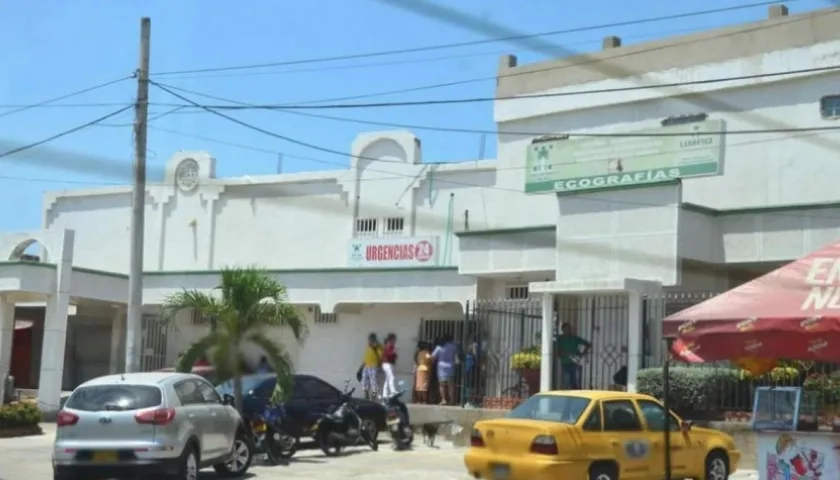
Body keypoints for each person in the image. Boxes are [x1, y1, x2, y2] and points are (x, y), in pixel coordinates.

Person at [554, 322, 591, 390]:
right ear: (562, 330)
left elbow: (588, 344)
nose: (567, 330)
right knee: (567, 382)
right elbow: (558, 351)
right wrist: (562, 354)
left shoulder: (574, 338)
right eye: (565, 329)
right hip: (566, 363)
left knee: (576, 382)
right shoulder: (560, 339)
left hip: (576, 363)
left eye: (568, 329)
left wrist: (582, 354)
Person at [432, 334, 458, 405]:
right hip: (450, 366)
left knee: (442, 385)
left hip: (441, 367)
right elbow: (456, 356)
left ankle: (444, 400)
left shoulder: (439, 347)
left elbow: (433, 357)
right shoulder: (453, 347)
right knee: (451, 385)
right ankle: (452, 400)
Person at [361, 333, 383, 400]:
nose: (369, 340)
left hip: (374, 366)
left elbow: (382, 355)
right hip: (366, 366)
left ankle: (373, 398)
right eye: (369, 339)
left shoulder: (378, 347)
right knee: (364, 382)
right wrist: (362, 366)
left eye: (371, 339)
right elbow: (366, 357)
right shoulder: (368, 347)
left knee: (373, 383)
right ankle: (366, 397)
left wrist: (376, 347)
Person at [381, 333, 398, 399]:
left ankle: (384, 395)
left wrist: (395, 353)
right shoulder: (389, 345)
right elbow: (388, 354)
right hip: (387, 364)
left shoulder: (391, 346)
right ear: (391, 339)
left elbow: (394, 356)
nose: (395, 340)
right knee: (391, 377)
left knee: (387, 380)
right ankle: (393, 391)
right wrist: (394, 351)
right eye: (394, 339)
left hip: (389, 364)